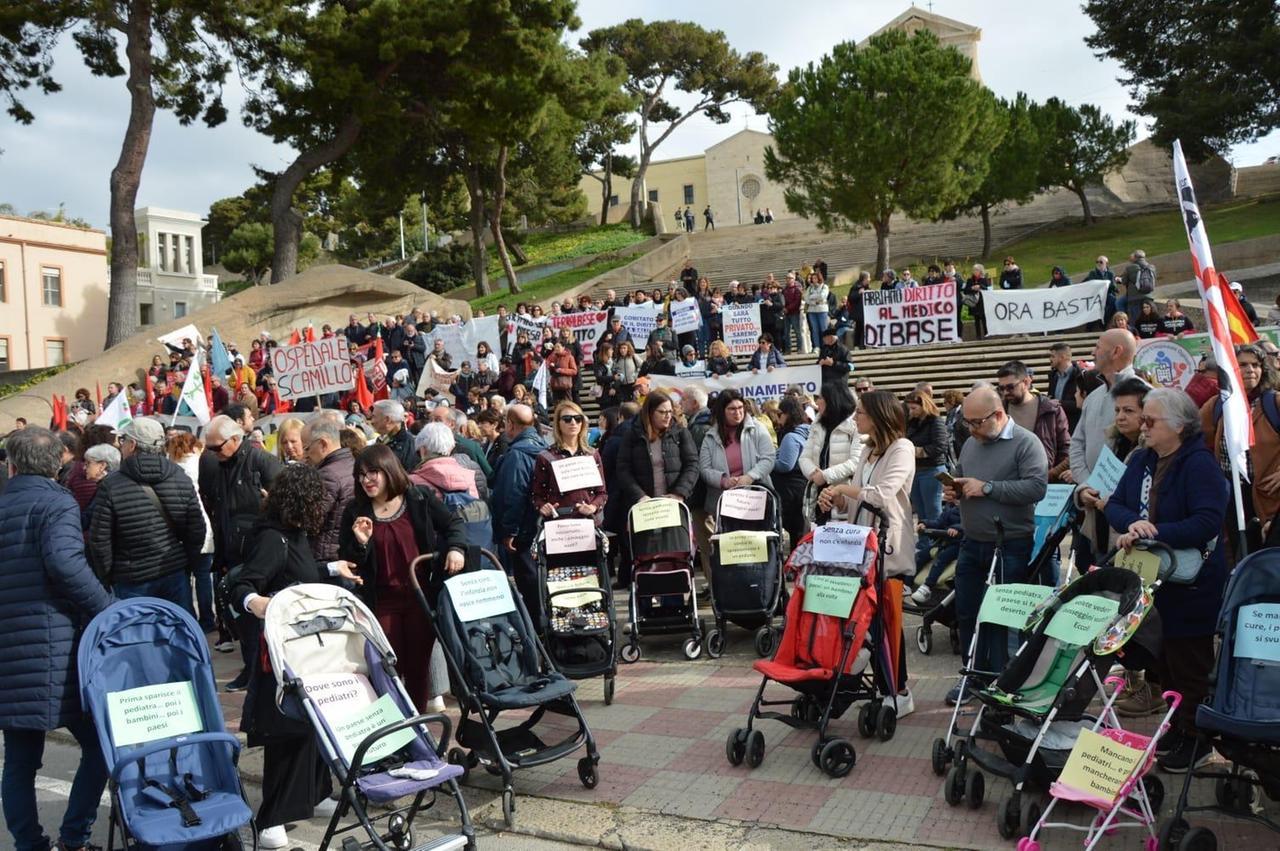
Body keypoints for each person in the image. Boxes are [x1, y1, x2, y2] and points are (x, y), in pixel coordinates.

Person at [231, 464, 362, 850]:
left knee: (314, 725)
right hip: (284, 653)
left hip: (304, 647)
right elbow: (242, 583)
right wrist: (255, 602)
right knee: (288, 730)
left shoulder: (293, 534)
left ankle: (315, 794)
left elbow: (298, 573)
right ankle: (272, 820)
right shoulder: (274, 538)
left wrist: (331, 568)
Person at [1, 427, 113, 851]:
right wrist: (107, 608)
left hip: (10, 647)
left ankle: (30, 844)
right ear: (59, 464)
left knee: (20, 760)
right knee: (99, 745)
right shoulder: (56, 501)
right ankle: (73, 838)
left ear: (12, 464)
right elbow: (66, 565)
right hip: (55, 647)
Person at [1105, 388, 1227, 772]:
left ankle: (1199, 738)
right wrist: (1132, 525)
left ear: (1178, 425)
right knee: (1164, 661)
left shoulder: (1199, 463)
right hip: (1154, 579)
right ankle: (1178, 727)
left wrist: (1154, 531)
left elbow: (1207, 520)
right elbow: (1116, 505)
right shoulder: (1142, 459)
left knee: (1190, 661)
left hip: (1192, 583)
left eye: (1150, 420)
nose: (1143, 427)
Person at [339, 445, 465, 712]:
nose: (366, 480)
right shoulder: (355, 510)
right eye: (361, 475)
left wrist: (455, 548)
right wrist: (361, 543)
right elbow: (349, 559)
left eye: (373, 472)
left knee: (418, 668)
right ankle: (396, 725)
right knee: (388, 666)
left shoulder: (418, 498)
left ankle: (417, 727)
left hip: (420, 596)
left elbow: (454, 524)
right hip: (382, 600)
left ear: (389, 469)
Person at [817, 390, 917, 716]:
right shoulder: (867, 450)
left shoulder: (901, 448)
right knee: (865, 621)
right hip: (860, 546)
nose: (856, 417)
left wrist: (843, 487)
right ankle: (874, 683)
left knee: (888, 622)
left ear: (879, 416)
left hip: (889, 547)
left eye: (861, 412)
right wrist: (835, 498)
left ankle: (899, 690)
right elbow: (858, 500)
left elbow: (883, 494)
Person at [946, 385, 1048, 702]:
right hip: (971, 541)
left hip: (1009, 544)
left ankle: (1002, 682)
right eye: (967, 423)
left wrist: (988, 488)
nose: (972, 429)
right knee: (967, 612)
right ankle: (972, 676)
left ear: (999, 415)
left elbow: (1036, 488)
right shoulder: (972, 443)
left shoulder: (1026, 444)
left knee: (1002, 619)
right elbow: (962, 475)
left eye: (977, 422)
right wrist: (955, 489)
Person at [200, 414, 284, 691]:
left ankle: (267, 672)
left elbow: (285, 507)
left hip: (259, 555)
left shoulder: (262, 462)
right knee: (242, 619)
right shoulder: (216, 464)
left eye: (216, 447)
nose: (212, 453)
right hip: (232, 551)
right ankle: (251, 669)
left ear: (236, 440)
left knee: (259, 620)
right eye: (208, 448)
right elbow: (216, 506)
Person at [88, 417, 205, 611]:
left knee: (138, 636)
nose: (120, 445)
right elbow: (196, 529)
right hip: (174, 573)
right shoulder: (179, 476)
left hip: (131, 580)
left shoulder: (111, 485)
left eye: (123, 440)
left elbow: (100, 540)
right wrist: (186, 562)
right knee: (179, 633)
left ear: (132, 445)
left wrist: (109, 576)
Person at [1200, 343, 1280, 556]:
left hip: (1270, 497)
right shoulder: (1217, 406)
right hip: (1232, 496)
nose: (1250, 370)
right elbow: (1193, 441)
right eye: (1242, 365)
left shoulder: (1274, 403)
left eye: (1255, 365)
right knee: (1240, 556)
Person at [1069, 329, 1140, 570]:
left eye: (1098, 346)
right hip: (1092, 511)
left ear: (1116, 351)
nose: (1093, 352)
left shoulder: (1142, 394)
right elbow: (1076, 444)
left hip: (1124, 514)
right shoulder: (1093, 397)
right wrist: (1085, 484)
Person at [615, 392, 700, 584]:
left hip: (673, 507)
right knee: (644, 560)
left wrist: (679, 493)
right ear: (649, 413)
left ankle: (675, 604)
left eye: (670, 411)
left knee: (673, 558)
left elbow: (692, 464)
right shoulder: (632, 435)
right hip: (645, 509)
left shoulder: (680, 433)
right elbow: (623, 469)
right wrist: (639, 496)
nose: (667, 416)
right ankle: (643, 606)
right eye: (662, 412)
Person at [1073, 377, 1148, 580]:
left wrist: (1114, 503)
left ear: (1146, 414)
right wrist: (1083, 492)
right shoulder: (1113, 441)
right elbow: (1098, 479)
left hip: (1127, 540)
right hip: (1098, 533)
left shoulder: (1150, 451)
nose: (1120, 417)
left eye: (1129, 411)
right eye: (1117, 411)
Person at [698, 389, 777, 563]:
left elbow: (768, 457)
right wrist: (723, 480)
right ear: (722, 411)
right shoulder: (710, 436)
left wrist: (750, 477)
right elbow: (704, 468)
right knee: (733, 553)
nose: (738, 412)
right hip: (726, 503)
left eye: (741, 408)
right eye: (732, 409)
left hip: (755, 498)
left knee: (757, 548)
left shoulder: (757, 429)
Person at [492, 405, 551, 624]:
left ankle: (538, 628)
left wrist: (510, 531)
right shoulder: (544, 447)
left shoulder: (517, 454)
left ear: (510, 424)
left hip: (525, 531)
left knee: (529, 582)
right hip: (539, 526)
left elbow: (514, 494)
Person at [167, 431, 217, 631]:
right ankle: (208, 619)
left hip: (179, 530)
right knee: (204, 577)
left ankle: (189, 620)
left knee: (184, 578)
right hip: (203, 526)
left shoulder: (171, 469)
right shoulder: (201, 463)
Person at [530, 401, 608, 527]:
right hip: (558, 526)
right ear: (558, 424)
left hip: (588, 524)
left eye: (578, 419)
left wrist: (593, 507)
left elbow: (602, 493)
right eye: (567, 419)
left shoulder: (592, 455)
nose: (573, 422)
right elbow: (537, 495)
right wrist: (543, 506)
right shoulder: (545, 457)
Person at [799, 381, 863, 522]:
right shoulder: (817, 423)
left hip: (845, 495)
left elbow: (857, 461)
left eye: (821, 398)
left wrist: (826, 475)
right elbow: (804, 457)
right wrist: (814, 473)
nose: (817, 402)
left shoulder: (855, 425)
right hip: (818, 494)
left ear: (833, 400)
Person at [997, 360, 1071, 483]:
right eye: (1001, 388)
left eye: (1010, 387)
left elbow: (1065, 448)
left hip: (1045, 484)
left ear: (1026, 382)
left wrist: (1051, 475)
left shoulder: (1052, 410)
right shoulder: (998, 412)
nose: (1005, 392)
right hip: (1008, 485)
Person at [771, 397, 811, 552]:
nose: (778, 417)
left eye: (780, 413)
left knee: (795, 530)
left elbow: (785, 465)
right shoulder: (807, 431)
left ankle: (794, 566)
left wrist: (768, 460)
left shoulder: (791, 437)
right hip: (802, 486)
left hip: (790, 491)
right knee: (800, 530)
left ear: (787, 414)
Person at [905, 392, 949, 526]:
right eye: (909, 408)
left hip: (932, 470)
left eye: (914, 408)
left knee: (933, 509)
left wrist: (916, 451)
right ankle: (924, 542)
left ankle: (937, 541)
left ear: (924, 406)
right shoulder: (912, 422)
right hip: (916, 470)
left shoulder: (936, 421)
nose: (910, 411)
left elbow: (940, 446)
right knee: (920, 510)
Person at [370, 399, 417, 472]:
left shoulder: (405, 443)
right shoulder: (385, 438)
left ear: (387, 420)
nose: (372, 421)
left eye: (374, 416)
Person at [1046, 342, 1083, 432]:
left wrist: (1057, 403)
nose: (1050, 359)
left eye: (1053, 356)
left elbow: (1080, 404)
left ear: (1062, 357)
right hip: (1057, 425)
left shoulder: (1080, 376)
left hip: (1074, 426)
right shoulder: (1053, 376)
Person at [1084, 255, 1118, 326]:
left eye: (1101, 262)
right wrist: (1105, 283)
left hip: (1107, 294)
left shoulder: (1110, 273)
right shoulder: (1093, 273)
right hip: (1096, 295)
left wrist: (1105, 284)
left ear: (1106, 263)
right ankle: (1089, 326)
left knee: (1114, 302)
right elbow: (1092, 284)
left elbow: (1113, 286)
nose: (1099, 263)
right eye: (1097, 262)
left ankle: (1104, 321)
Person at [962, 264, 992, 339]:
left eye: (976, 270)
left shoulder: (984, 279)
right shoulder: (970, 280)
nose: (975, 271)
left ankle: (986, 333)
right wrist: (972, 288)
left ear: (980, 271)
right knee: (976, 320)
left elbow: (987, 289)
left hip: (982, 302)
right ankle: (978, 336)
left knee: (984, 319)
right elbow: (965, 291)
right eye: (974, 270)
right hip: (973, 302)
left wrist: (980, 287)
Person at [803, 272, 830, 352]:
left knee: (823, 328)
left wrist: (812, 296)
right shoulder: (810, 288)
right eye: (812, 278)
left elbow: (823, 296)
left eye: (815, 278)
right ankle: (817, 346)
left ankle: (826, 345)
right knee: (814, 329)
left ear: (819, 278)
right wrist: (814, 301)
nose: (813, 280)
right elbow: (806, 298)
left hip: (822, 310)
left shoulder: (824, 286)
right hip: (812, 311)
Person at [781, 273, 804, 354]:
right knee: (786, 332)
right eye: (787, 278)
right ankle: (788, 349)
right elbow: (782, 301)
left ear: (794, 279)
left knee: (797, 331)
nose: (788, 279)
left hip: (794, 313)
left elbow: (797, 302)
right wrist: (784, 308)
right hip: (786, 314)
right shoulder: (784, 290)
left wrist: (787, 308)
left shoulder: (797, 289)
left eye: (790, 278)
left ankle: (799, 348)